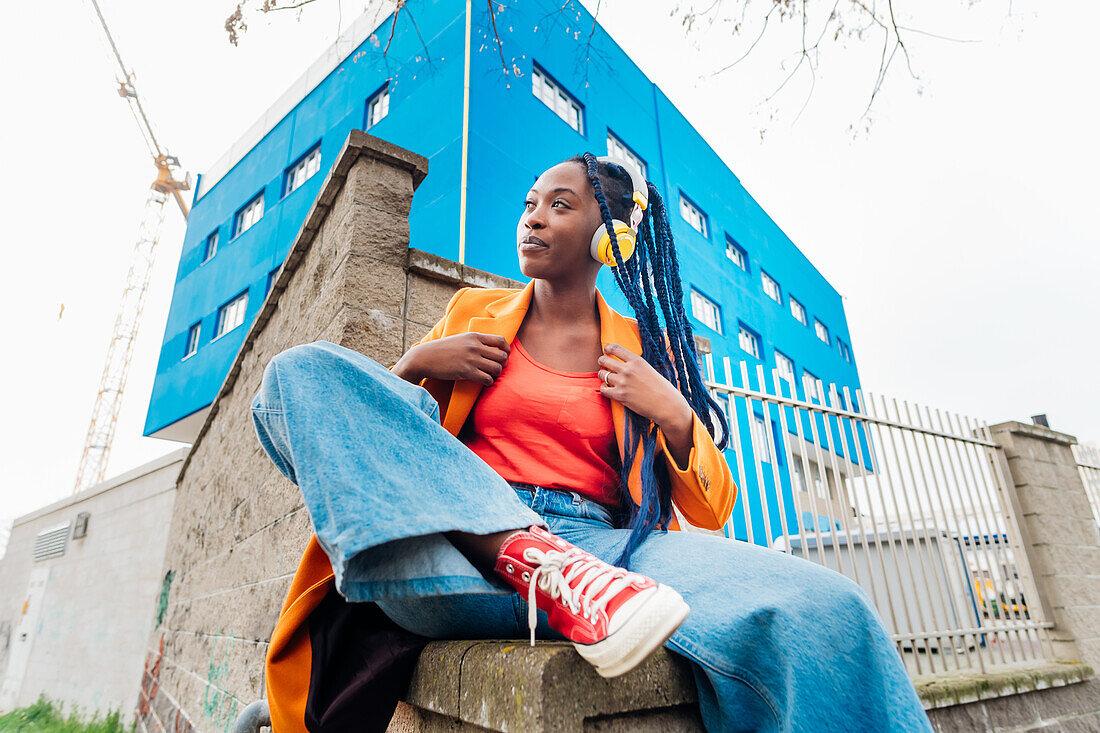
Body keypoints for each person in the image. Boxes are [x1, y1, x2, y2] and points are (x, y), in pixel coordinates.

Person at [252, 153, 933, 732]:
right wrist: (419, 366)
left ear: (609, 239)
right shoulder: (471, 315)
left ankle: (556, 567)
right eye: (529, 204)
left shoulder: (648, 350)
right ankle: (523, 550)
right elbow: (386, 444)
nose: (533, 216)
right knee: (295, 371)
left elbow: (714, 506)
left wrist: (672, 411)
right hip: (451, 546)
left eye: (559, 204)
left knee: (833, 607)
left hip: (605, 558)